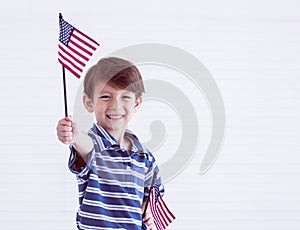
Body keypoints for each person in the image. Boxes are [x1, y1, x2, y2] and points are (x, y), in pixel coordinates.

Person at [56, 57, 164, 230]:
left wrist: (149, 208)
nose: (115, 105)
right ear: (89, 102)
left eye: (125, 97)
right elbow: (85, 145)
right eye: (106, 97)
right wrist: (74, 135)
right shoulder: (95, 144)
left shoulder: (145, 157)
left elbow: (153, 192)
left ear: (136, 104)